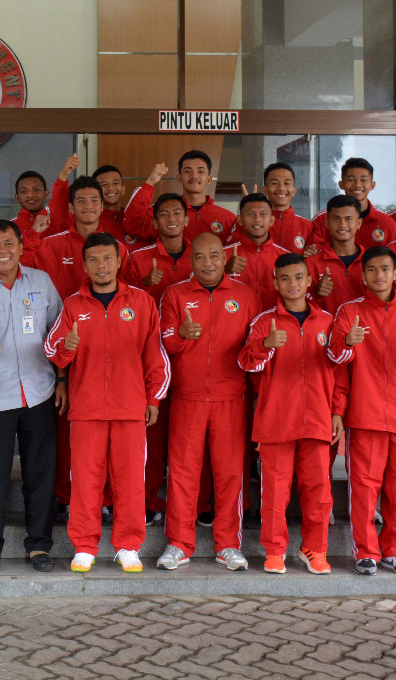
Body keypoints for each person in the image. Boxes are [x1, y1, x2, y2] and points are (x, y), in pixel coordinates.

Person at [44, 233, 168, 574]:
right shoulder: (73, 305)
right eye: (94, 260)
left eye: (107, 259)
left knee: (130, 481)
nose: (101, 265)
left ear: (118, 262)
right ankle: (85, 546)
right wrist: (67, 347)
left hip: (131, 408)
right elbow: (52, 349)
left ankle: (128, 546)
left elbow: (155, 355)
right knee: (85, 480)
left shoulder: (141, 302)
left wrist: (154, 397)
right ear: (84, 265)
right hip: (86, 410)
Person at [0, 219, 63, 573]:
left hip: (39, 392)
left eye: (8, 243)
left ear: (20, 246)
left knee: (40, 473)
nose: (2, 251)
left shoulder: (42, 282)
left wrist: (62, 378)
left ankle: (39, 545)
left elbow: (58, 333)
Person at [328, 245, 396, 576]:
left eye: (385, 269)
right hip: (364, 417)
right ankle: (366, 551)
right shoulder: (349, 313)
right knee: (363, 487)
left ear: (395, 273)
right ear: (363, 275)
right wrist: (348, 341)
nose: (379, 275)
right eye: (372, 269)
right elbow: (335, 365)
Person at [156, 233, 260, 573]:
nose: (208, 263)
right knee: (183, 473)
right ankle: (178, 543)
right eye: (200, 257)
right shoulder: (174, 294)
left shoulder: (246, 296)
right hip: (188, 396)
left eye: (214, 255)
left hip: (231, 397)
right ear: (191, 260)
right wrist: (182, 335)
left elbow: (256, 347)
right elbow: (163, 341)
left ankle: (229, 545)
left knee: (230, 474)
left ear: (224, 256)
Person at [33, 176, 129, 517]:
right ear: (70, 207)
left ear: (103, 206)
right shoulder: (50, 245)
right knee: (66, 433)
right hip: (61, 348)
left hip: (109, 354)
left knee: (108, 435)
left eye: (94, 201)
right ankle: (65, 497)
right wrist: (60, 374)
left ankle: (104, 500)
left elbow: (124, 298)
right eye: (81, 202)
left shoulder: (118, 247)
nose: (88, 207)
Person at [239, 252, 337, 575]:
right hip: (276, 421)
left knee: (319, 493)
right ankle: (275, 550)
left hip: (318, 419)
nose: (292, 284)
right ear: (275, 282)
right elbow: (246, 364)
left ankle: (314, 548)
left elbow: (340, 373)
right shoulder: (264, 321)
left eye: (299, 277)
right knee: (275, 491)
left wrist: (338, 412)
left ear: (309, 281)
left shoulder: (326, 322)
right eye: (285, 278)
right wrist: (266, 343)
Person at [118, 192, 190, 523]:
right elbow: (125, 306)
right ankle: (148, 500)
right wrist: (146, 285)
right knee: (153, 436)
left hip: (191, 362)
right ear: (155, 222)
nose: (171, 218)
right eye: (164, 214)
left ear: (187, 219)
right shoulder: (139, 257)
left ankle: (193, 506)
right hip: (147, 361)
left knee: (189, 441)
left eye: (178, 213)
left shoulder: (203, 255)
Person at [124, 151, 236, 244]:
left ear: (209, 179)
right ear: (179, 178)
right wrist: (150, 183)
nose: (194, 176)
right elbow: (133, 226)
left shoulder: (227, 218)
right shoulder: (161, 211)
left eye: (200, 171)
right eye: (188, 171)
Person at [309, 158, 396, 251]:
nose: (357, 184)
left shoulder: (387, 223)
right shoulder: (322, 218)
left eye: (363, 180)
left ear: (372, 185)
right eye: (351, 180)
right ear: (341, 184)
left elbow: (394, 259)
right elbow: (313, 254)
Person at [223, 193, 290, 311]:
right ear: (240, 220)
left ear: (272, 220)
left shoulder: (287, 258)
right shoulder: (222, 256)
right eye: (250, 214)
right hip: (235, 323)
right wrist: (225, 271)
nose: (257, 219)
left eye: (263, 214)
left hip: (274, 324)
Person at [305, 195, 366, 317]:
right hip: (325, 333)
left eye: (349, 219)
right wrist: (316, 292)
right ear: (327, 223)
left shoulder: (371, 262)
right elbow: (300, 306)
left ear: (359, 223)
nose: (343, 224)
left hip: (364, 332)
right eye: (336, 219)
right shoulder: (311, 264)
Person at [245, 162, 313, 254]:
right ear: (265, 190)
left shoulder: (308, 226)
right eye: (274, 183)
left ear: (294, 190)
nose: (281, 188)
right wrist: (249, 210)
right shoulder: (253, 222)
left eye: (286, 183)